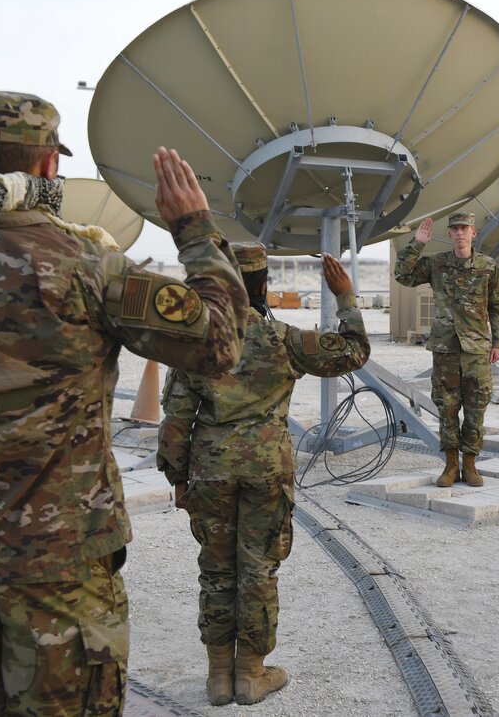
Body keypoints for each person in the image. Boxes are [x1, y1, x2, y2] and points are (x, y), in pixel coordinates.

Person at [0, 92, 249, 715]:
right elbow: (220, 343)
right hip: (57, 567)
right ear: (49, 168)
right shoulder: (88, 266)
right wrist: (193, 229)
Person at [157, 243, 369, 706]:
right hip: (267, 470)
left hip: (209, 473)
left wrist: (177, 477)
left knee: (216, 569)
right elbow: (353, 352)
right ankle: (251, 674)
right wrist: (345, 298)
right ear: (263, 287)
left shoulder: (197, 342)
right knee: (258, 569)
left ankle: (218, 676)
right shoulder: (283, 340)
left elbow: (176, 418)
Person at [394, 213, 499, 487]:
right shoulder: (437, 263)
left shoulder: (488, 266)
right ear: (450, 233)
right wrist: (417, 243)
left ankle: (470, 464)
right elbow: (403, 275)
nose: (459, 233)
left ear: (473, 233)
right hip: (445, 348)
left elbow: (497, 307)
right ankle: (450, 465)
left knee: (476, 407)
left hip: (477, 349)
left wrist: (498, 342)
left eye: (464, 228)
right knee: (447, 408)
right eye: (454, 229)